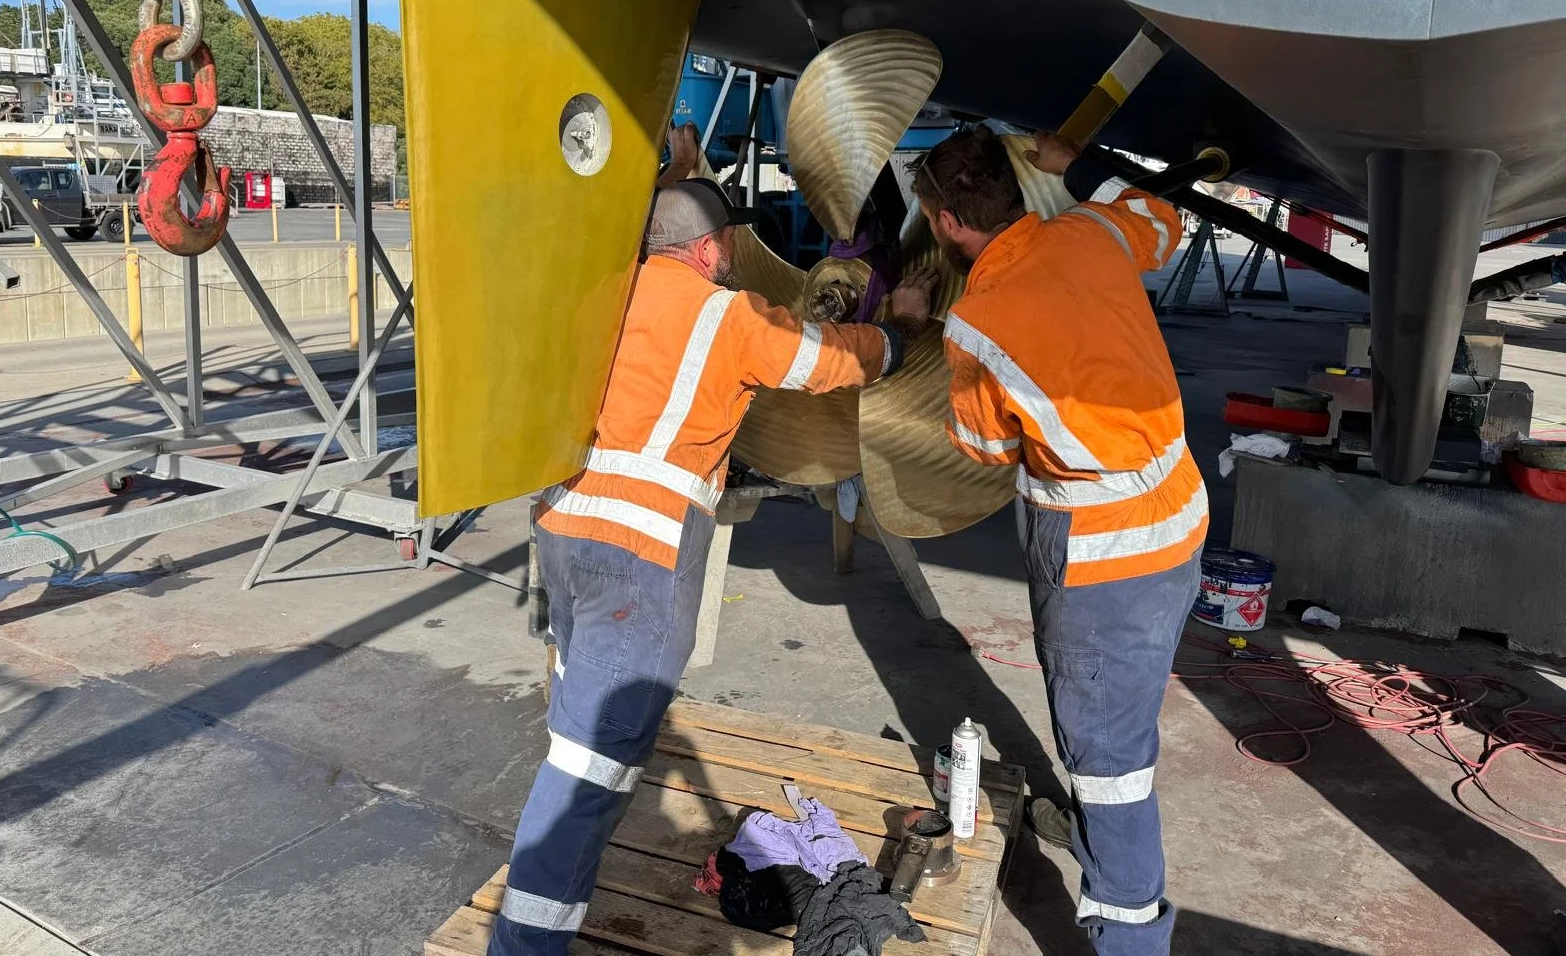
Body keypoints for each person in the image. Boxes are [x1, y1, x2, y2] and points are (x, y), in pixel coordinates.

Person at [490, 124, 938, 956]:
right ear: (709, 249)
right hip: (641, 554)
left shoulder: (608, 281)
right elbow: (823, 359)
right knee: (588, 775)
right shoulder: (726, 316)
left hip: (562, 535)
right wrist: (895, 334)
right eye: (727, 243)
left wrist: (681, 170)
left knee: (574, 728)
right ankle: (523, 944)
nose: (734, 254)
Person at [908, 125, 1207, 956]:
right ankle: (1103, 833)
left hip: (1106, 559)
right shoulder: (1093, 231)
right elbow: (1163, 220)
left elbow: (988, 449)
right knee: (1120, 715)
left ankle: (1126, 923)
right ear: (1015, 188)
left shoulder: (977, 324)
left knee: (1108, 756)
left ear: (943, 222)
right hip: (1180, 519)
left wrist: (933, 328)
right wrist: (1080, 164)